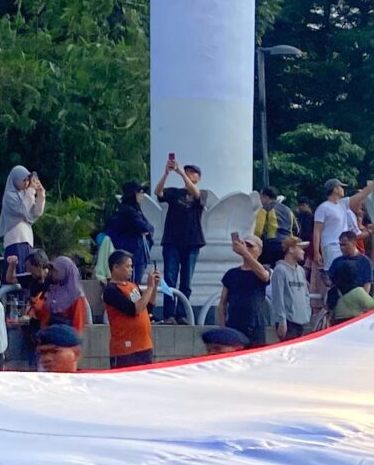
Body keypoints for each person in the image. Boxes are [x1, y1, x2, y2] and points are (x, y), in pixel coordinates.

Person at [158, 153, 209, 319]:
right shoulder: (174, 193)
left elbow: (196, 196)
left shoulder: (201, 194)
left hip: (192, 241)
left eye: (192, 172)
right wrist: (166, 173)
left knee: (186, 281)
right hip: (172, 240)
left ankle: (182, 313)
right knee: (169, 278)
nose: (188, 173)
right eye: (187, 171)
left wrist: (180, 172)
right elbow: (158, 192)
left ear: (198, 177)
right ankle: (169, 314)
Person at [314, 170, 374, 273]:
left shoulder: (342, 204)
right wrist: (316, 252)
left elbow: (362, 194)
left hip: (344, 245)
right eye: (341, 187)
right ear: (335, 189)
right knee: (336, 274)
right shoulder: (323, 207)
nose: (343, 189)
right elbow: (317, 231)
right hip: (331, 246)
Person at [216, 232, 275, 349]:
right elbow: (222, 303)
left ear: (259, 251)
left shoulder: (264, 269)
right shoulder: (231, 273)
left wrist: (244, 252)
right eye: (245, 245)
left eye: (250, 246)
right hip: (234, 325)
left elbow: (264, 276)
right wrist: (222, 327)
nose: (247, 249)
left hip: (255, 326)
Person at [104, 253, 156, 368]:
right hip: (125, 350)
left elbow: (147, 308)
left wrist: (154, 287)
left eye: (131, 266)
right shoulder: (111, 290)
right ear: (115, 267)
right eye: (127, 266)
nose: (131, 269)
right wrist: (150, 287)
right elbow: (134, 310)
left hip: (144, 345)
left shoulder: (133, 285)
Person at [0, 164, 44, 284]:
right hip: (14, 240)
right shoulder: (9, 196)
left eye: (28, 180)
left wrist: (40, 194)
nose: (26, 183)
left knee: (27, 273)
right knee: (15, 272)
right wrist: (31, 191)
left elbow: (36, 212)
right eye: (24, 180)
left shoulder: (25, 194)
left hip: (27, 240)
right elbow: (22, 209)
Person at [268, 236, 312, 340]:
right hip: (288, 323)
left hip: (302, 320)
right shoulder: (279, 270)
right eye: (300, 248)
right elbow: (278, 298)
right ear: (291, 249)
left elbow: (306, 294)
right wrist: (282, 321)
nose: (303, 252)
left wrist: (308, 312)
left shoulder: (301, 270)